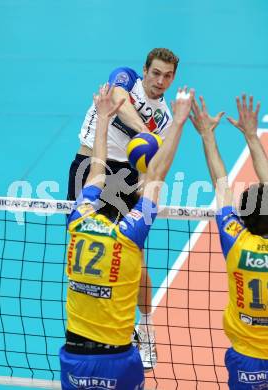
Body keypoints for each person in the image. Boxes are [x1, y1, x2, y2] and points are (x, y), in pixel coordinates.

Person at [60, 83, 193, 390]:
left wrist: (103, 119)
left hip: (75, 352)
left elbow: (96, 170)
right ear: (122, 212)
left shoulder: (77, 223)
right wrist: (179, 124)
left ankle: (144, 329)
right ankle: (141, 332)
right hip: (118, 354)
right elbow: (155, 178)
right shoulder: (129, 236)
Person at [190, 94, 268, 389]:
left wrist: (207, 135)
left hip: (245, 358)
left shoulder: (236, 242)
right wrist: (252, 137)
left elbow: (221, 184)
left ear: (244, 218)